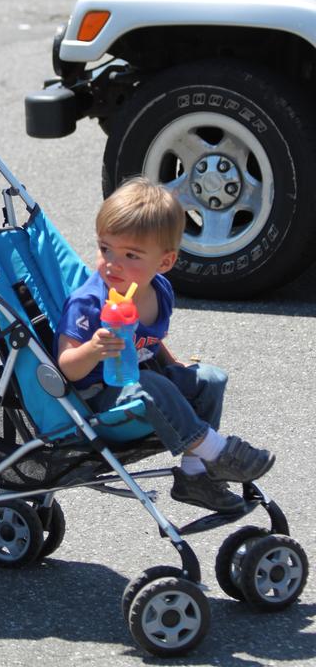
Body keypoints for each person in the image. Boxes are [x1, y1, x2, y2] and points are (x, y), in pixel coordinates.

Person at [54, 177, 274, 513]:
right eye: (105, 248)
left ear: (165, 262)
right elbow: (67, 367)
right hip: (96, 399)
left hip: (137, 379)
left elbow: (150, 344)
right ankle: (217, 451)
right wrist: (95, 348)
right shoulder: (88, 302)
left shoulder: (159, 291)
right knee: (152, 385)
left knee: (210, 378)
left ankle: (195, 475)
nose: (112, 263)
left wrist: (175, 364)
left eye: (130, 254)